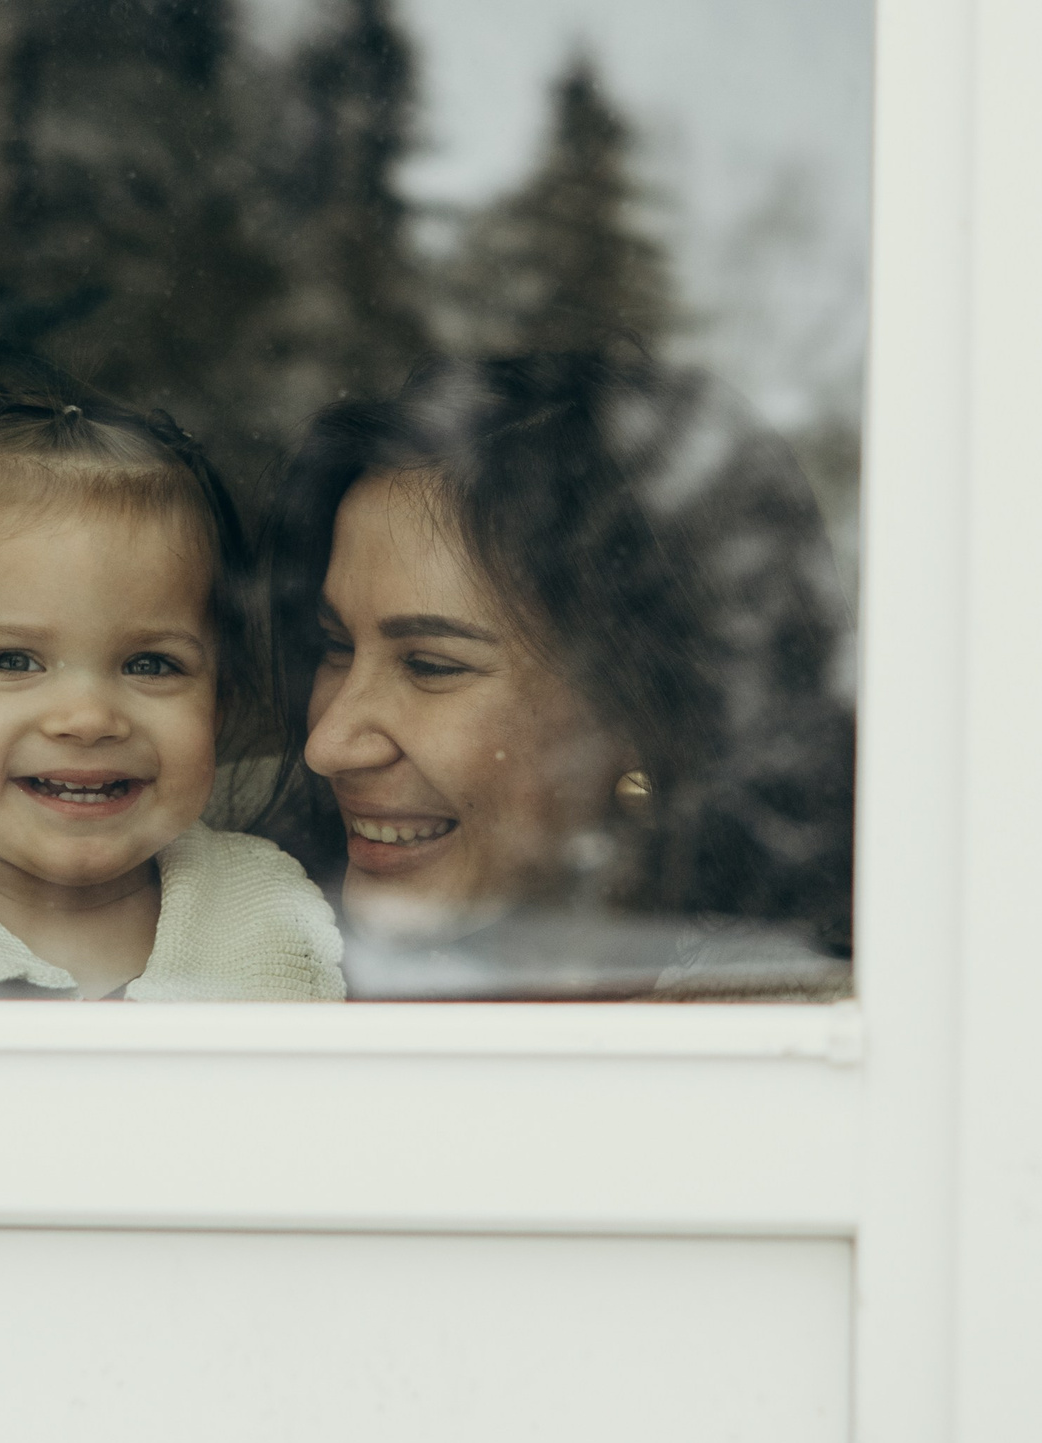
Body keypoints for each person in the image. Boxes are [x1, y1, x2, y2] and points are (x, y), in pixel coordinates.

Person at [261, 353, 855, 996]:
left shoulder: (794, 1026)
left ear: (641, 709)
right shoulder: (231, 929)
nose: (327, 746)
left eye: (430, 666)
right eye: (335, 645)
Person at [0, 386, 345, 1000]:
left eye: (151, 665)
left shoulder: (265, 917)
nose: (89, 718)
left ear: (217, 708)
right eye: (13, 661)